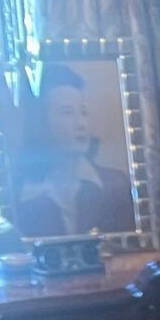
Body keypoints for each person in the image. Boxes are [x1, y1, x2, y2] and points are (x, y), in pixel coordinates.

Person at [15, 66, 132, 238]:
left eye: (83, 113)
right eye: (67, 113)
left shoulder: (115, 185)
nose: (81, 124)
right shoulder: (19, 193)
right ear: (42, 123)